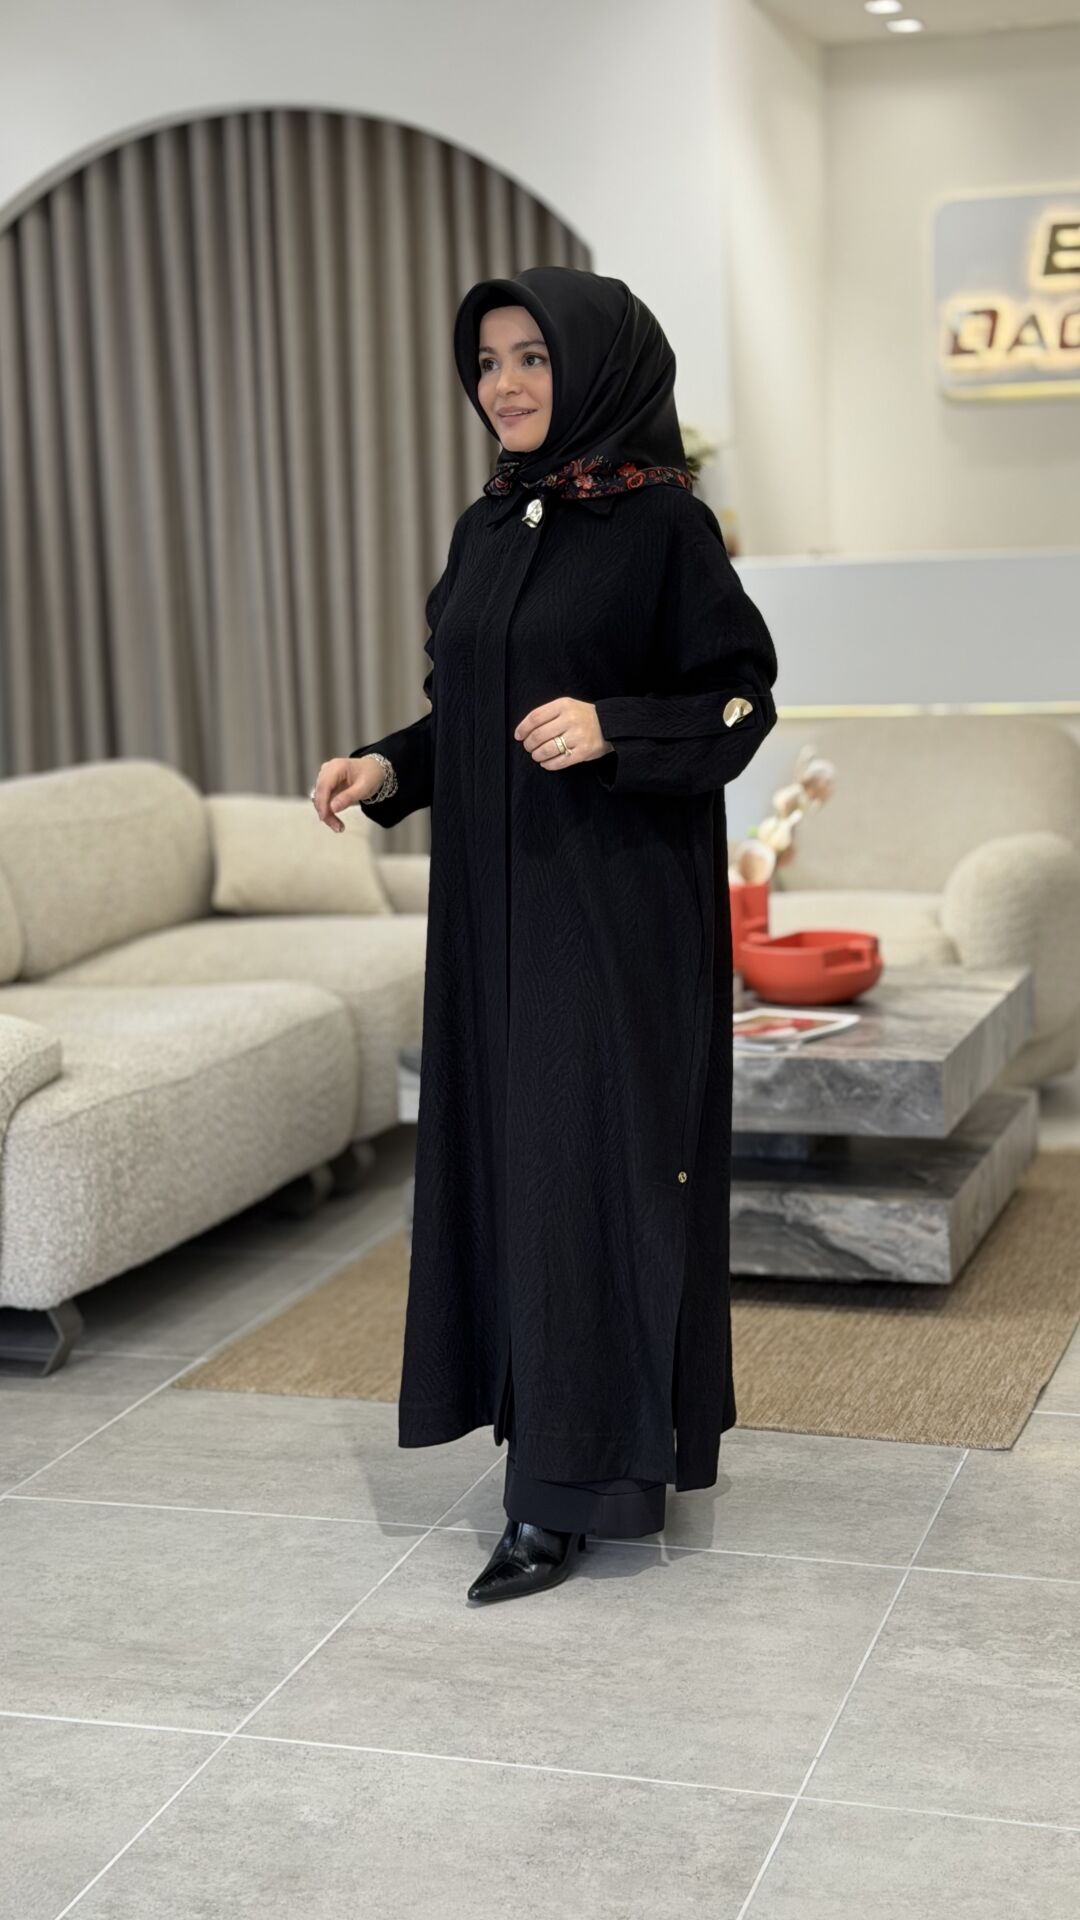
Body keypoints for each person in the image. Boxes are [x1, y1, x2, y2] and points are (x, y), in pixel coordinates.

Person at [311, 267, 778, 1606]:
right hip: (489, 920)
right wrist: (387, 767)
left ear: (597, 366)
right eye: (487, 362)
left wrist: (613, 726)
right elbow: (463, 710)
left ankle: (567, 1491)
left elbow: (742, 700)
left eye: (532, 357)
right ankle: (562, 1442)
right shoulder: (490, 525)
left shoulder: (664, 525)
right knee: (510, 1177)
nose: (505, 384)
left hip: (610, 916)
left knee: (586, 1180)